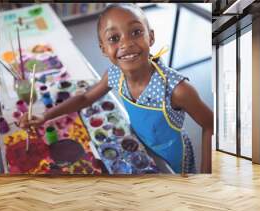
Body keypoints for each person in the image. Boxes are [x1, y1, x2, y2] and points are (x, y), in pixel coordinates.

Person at [20, 3, 213, 174]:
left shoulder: (177, 90)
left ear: (151, 37)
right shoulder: (114, 74)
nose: (126, 43)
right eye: (113, 38)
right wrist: (45, 116)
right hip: (140, 144)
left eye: (136, 32)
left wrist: (207, 174)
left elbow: (210, 124)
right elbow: (86, 99)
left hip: (173, 156)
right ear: (103, 49)